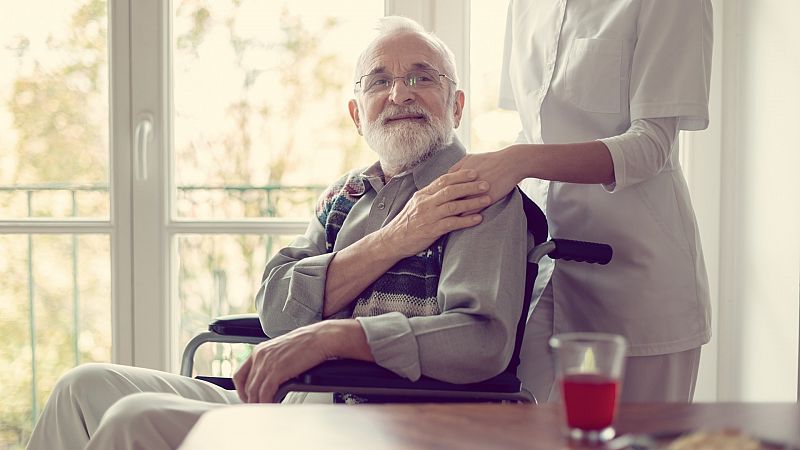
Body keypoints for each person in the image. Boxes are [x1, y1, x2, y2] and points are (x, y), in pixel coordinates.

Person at [26, 16, 529, 450]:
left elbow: (481, 341)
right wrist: (396, 239)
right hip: (295, 399)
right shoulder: (345, 196)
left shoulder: (479, 191)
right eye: (378, 82)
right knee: (82, 387)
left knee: (134, 421)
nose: (399, 93)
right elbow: (277, 308)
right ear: (357, 114)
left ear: (457, 105)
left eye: (422, 77)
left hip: (377, 418)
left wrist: (334, 337)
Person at [446, 0, 714, 403]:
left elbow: (649, 147)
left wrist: (518, 161)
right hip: (542, 270)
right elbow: (533, 130)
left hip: (637, 280)